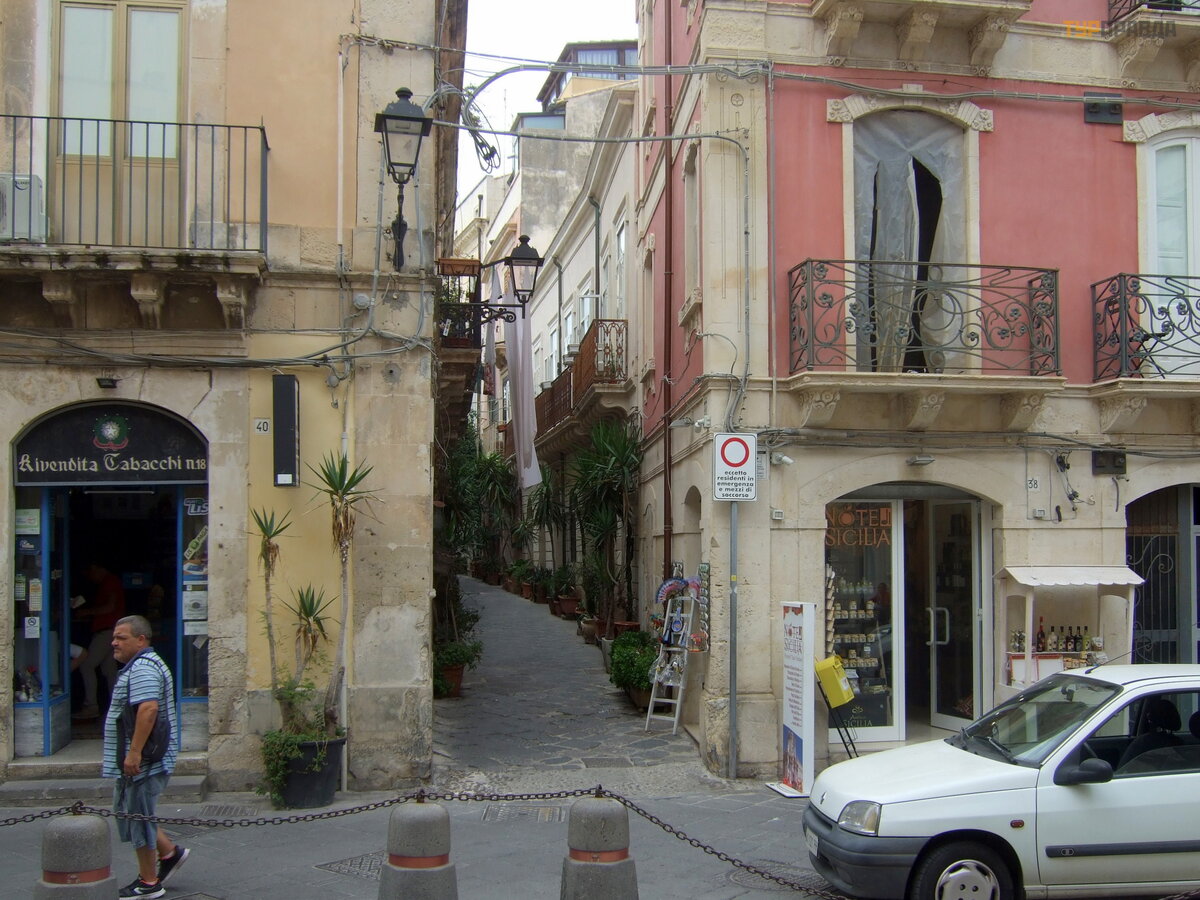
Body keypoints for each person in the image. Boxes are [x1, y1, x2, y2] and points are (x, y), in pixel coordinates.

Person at [104, 615, 189, 899]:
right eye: (114, 637)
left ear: (141, 640)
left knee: (138, 817)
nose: (114, 643)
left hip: (145, 762)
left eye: (121, 638)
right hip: (142, 760)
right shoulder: (141, 665)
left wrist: (134, 753)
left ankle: (149, 883)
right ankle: (170, 854)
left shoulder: (142, 667)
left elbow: (148, 709)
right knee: (133, 812)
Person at [74, 562, 127, 719]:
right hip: (112, 631)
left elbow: (110, 607)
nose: (91, 577)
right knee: (110, 672)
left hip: (107, 631)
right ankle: (118, 709)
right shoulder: (109, 582)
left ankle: (91, 706)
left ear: (98, 568)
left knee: (86, 665)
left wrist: (86, 612)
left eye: (91, 572)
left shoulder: (110, 582)